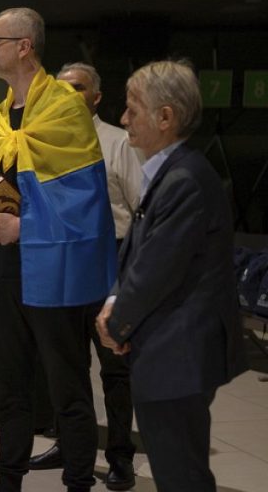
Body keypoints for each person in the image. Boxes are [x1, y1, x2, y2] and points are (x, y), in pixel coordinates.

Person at [0, 8, 116, 492]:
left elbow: (82, 201)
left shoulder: (65, 107)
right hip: (4, 268)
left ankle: (79, 481)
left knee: (66, 385)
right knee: (8, 385)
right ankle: (7, 480)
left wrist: (23, 227)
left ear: (24, 46)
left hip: (54, 266)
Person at [96, 60, 247, 492]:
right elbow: (138, 255)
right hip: (168, 350)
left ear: (166, 117)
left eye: (132, 108)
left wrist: (116, 321)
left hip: (178, 353)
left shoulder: (184, 179)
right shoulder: (172, 172)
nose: (124, 119)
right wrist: (114, 304)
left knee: (181, 475)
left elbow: (156, 270)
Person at [30, 63, 143, 490]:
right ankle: (70, 445)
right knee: (66, 365)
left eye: (77, 89)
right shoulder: (46, 142)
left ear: (95, 97)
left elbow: (139, 212)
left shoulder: (117, 142)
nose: (68, 95)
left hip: (110, 260)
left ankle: (119, 455)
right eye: (62, 89)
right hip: (62, 260)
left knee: (115, 367)